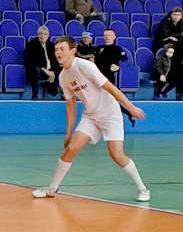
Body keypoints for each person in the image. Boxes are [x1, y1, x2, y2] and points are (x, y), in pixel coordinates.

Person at [32, 36, 149, 202]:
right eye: (56, 49)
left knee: (116, 154)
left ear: (72, 51)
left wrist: (131, 108)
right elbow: (70, 105)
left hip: (110, 114)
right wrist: (69, 132)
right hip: (90, 117)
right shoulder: (63, 77)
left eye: (62, 49)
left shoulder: (85, 66)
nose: (58, 52)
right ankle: (52, 189)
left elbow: (110, 87)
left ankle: (143, 189)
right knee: (71, 148)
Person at [25, 25, 59, 99]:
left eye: (45, 34)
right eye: (40, 34)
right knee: (35, 69)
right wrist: (45, 70)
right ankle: (35, 95)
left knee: (65, 68)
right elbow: (31, 61)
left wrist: (53, 72)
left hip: (50, 70)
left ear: (48, 35)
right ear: (37, 35)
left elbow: (55, 60)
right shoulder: (31, 44)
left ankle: (66, 93)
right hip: (39, 70)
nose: (42, 36)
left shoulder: (52, 45)